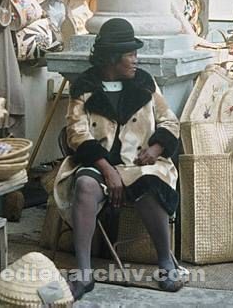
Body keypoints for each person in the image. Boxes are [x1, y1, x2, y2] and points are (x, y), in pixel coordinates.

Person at [54, 18, 184, 300]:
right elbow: (76, 133)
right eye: (131, 55)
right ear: (113, 58)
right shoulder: (84, 87)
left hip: (140, 163)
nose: (136, 60)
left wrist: (157, 148)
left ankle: (165, 263)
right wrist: (106, 168)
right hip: (97, 163)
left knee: (152, 184)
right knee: (86, 185)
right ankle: (85, 274)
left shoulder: (145, 84)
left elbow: (170, 122)